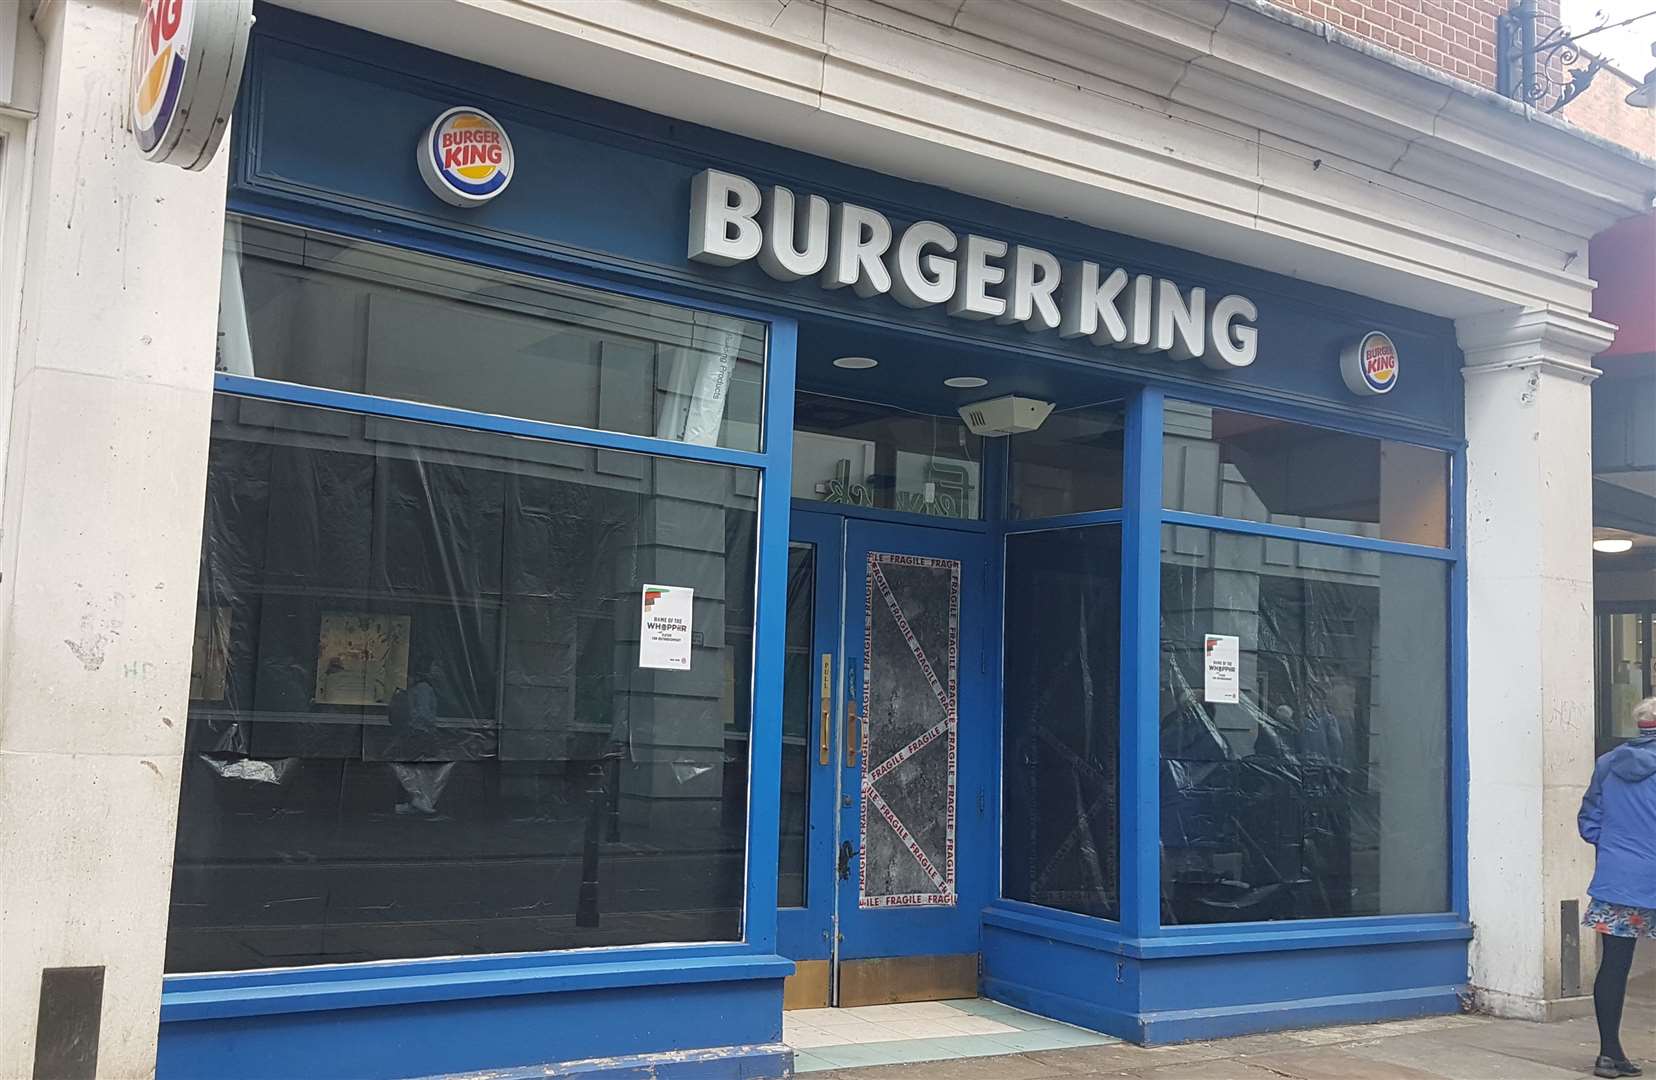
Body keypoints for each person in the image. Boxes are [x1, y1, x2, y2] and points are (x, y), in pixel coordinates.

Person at [1579, 696, 1656, 1079]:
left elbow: (1588, 820)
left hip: (1618, 881)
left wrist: (1614, 848)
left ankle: (1609, 1054)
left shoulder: (1608, 763)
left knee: (1614, 965)